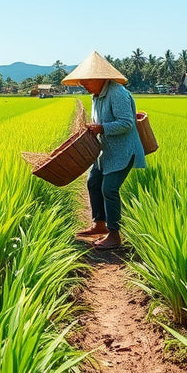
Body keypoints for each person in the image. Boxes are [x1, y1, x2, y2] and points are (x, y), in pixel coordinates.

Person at [62, 51, 145, 249]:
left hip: (122, 151)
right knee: (93, 182)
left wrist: (101, 128)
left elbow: (126, 123)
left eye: (86, 81)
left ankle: (115, 235)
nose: (83, 85)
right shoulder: (96, 96)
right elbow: (98, 121)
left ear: (99, 78)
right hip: (104, 153)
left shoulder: (117, 93)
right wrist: (92, 128)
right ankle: (99, 224)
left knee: (109, 189)